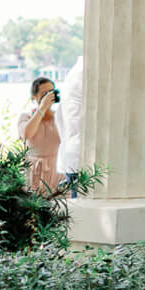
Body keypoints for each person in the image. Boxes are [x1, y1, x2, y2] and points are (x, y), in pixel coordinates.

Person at [20, 75, 64, 196]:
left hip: (56, 171)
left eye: (51, 92)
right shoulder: (26, 117)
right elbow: (26, 134)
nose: (48, 96)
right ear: (34, 97)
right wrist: (42, 108)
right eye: (44, 93)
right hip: (34, 172)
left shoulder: (60, 117)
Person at [54, 56, 84, 195]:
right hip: (79, 158)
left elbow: (59, 120)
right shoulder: (82, 74)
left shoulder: (72, 78)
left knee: (78, 205)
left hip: (71, 155)